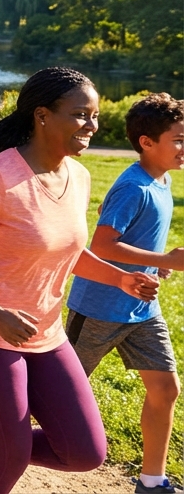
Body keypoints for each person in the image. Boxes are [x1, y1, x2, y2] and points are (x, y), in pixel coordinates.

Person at [0, 67, 159, 494]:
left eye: (96, 115)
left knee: (85, 451)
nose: (92, 125)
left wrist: (120, 280)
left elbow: (64, 251)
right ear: (43, 115)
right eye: (81, 114)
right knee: (8, 456)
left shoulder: (78, 176)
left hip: (44, 333)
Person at [65, 94, 184, 494]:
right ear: (147, 142)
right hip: (98, 308)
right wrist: (165, 255)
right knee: (55, 395)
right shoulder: (134, 186)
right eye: (179, 140)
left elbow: (137, 239)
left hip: (142, 310)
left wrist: (157, 263)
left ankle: (152, 482)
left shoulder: (162, 180)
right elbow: (102, 244)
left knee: (166, 388)